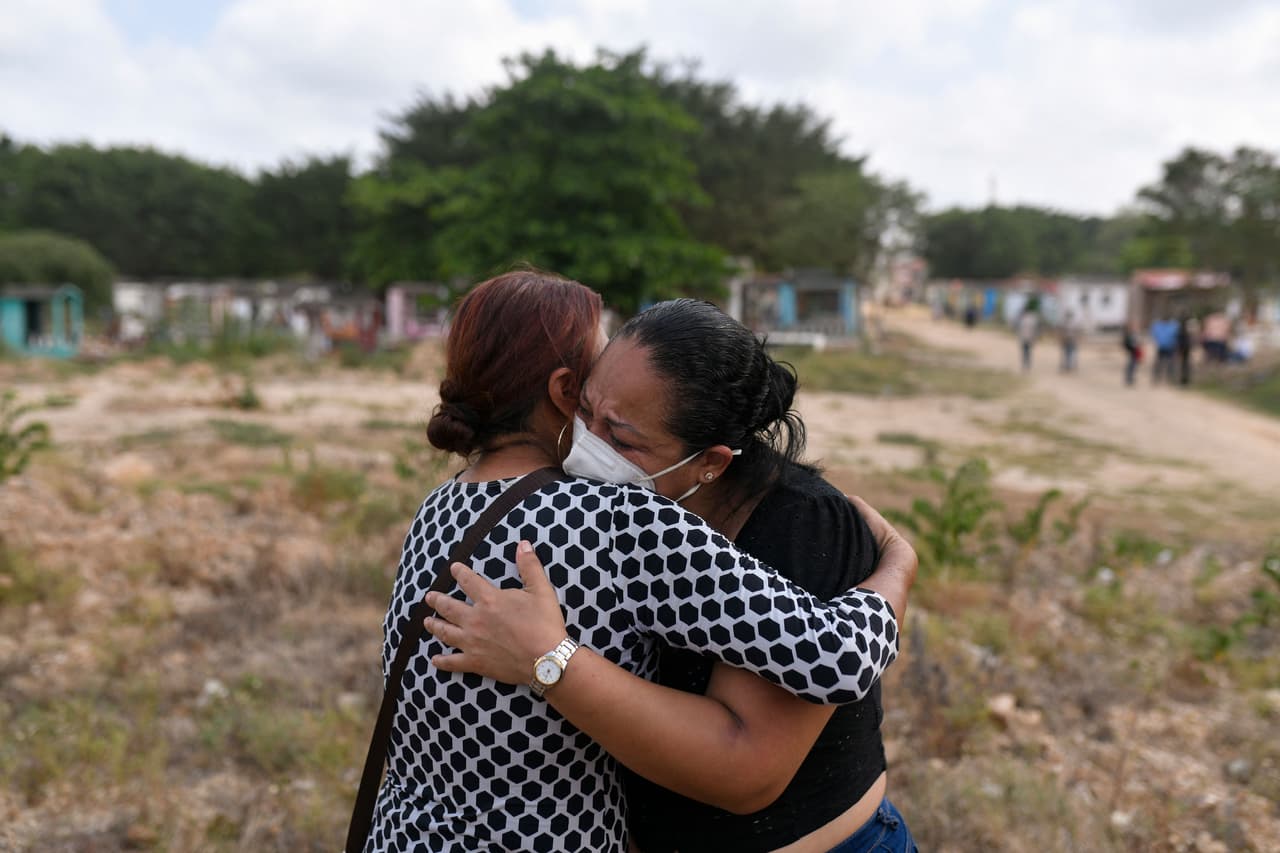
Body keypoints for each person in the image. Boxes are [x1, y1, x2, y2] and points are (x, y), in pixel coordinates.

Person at [364, 272, 910, 852]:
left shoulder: (439, 507)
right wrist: (898, 565)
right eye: (590, 407)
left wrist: (550, 659)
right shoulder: (620, 517)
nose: (597, 442)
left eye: (622, 437)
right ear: (565, 390)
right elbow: (836, 659)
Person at [1150, 315, 1179, 383]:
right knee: (1163, 363)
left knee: (1167, 363)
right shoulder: (1172, 325)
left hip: (1167, 347)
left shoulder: (1160, 325)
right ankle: (1159, 377)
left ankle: (1166, 377)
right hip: (1164, 347)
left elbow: (1154, 334)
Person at [1017, 306, 1038, 371]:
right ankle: (1027, 365)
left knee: (1025, 352)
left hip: (1025, 338)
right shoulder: (1032, 319)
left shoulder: (1022, 319)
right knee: (1028, 352)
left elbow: (1019, 329)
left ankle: (1025, 365)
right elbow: (1035, 330)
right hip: (1029, 338)